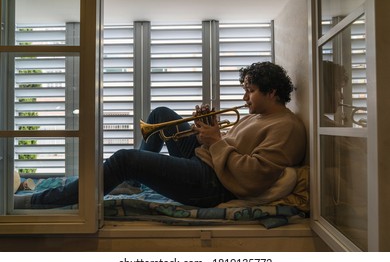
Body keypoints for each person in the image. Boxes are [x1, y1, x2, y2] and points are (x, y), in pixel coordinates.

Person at [15, 61, 306, 209]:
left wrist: (216, 142)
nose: (244, 96)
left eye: (250, 90)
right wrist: (208, 125)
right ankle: (129, 183)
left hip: (213, 183)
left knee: (124, 158)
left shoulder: (287, 128)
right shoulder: (259, 114)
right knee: (160, 115)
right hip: (209, 160)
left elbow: (254, 176)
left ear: (272, 92)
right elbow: (232, 144)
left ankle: (42, 201)